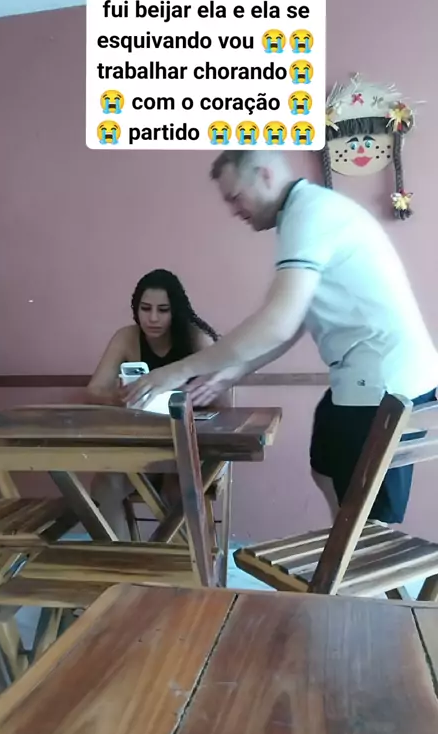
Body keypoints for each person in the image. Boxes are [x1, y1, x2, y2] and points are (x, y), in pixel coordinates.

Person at [125, 149, 438, 525]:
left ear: (265, 175)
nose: (234, 210)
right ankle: (343, 549)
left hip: (386, 386)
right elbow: (295, 319)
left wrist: (176, 371)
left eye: (236, 197)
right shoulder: (304, 214)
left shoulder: (310, 214)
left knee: (368, 521)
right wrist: (233, 372)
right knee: (324, 467)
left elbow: (277, 323)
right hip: (367, 381)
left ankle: (353, 556)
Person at [87, 268, 219, 535]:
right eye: (145, 309)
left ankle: (190, 558)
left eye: (163, 310)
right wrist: (120, 396)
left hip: (190, 447)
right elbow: (93, 390)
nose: (153, 318)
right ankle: (125, 558)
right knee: (104, 485)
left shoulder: (197, 339)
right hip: (141, 446)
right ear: (136, 309)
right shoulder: (127, 337)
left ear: (176, 311)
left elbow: (223, 399)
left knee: (178, 489)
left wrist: (186, 394)